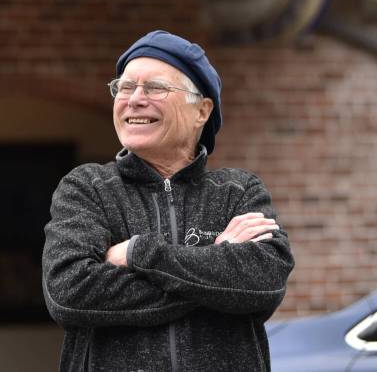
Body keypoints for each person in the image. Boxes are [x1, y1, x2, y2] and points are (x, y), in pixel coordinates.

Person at [42, 30, 294, 372]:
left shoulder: (239, 191)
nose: (134, 99)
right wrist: (215, 272)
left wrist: (138, 253)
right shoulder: (87, 188)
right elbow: (70, 293)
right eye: (125, 86)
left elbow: (263, 282)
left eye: (155, 88)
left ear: (202, 111)